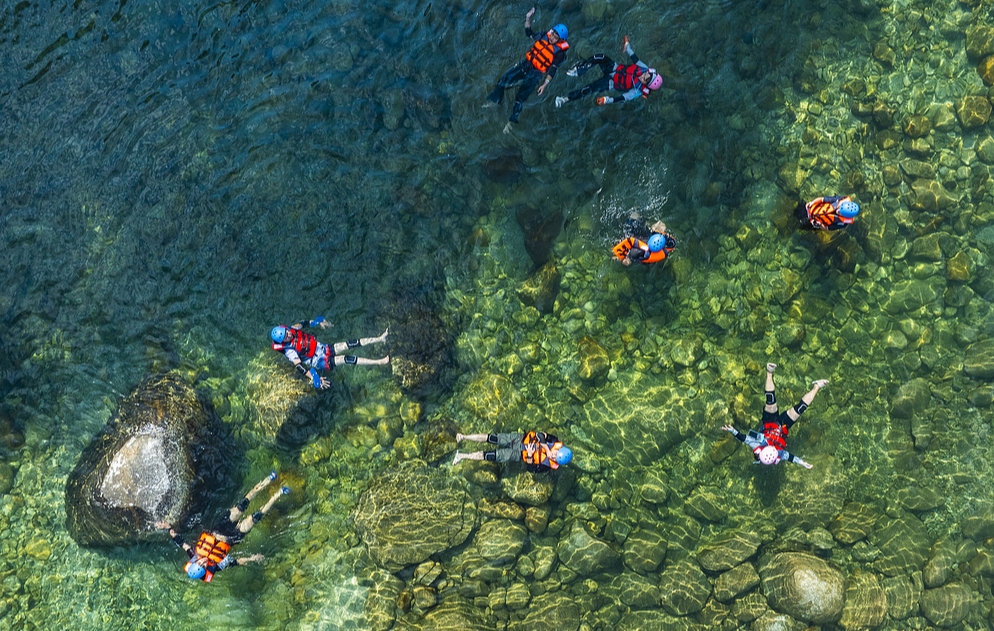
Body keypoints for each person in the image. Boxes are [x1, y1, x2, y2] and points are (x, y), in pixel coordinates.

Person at [156, 471, 290, 583]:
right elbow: (236, 562)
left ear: (195, 562)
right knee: (256, 516)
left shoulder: (193, 554)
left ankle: (268, 480)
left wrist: (168, 527)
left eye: (200, 563)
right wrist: (253, 558)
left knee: (243, 503)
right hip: (233, 537)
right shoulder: (216, 567)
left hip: (220, 527)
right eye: (204, 566)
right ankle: (278, 494)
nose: (204, 562)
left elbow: (180, 541)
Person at [721, 363, 828, 469]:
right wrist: (803, 463)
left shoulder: (757, 444)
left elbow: (743, 437)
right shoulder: (779, 454)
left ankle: (769, 372)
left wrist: (732, 430)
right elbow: (791, 457)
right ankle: (817, 386)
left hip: (769, 422)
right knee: (800, 409)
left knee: (770, 400)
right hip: (782, 426)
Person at [485, 7, 569, 134]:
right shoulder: (543, 36)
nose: (552, 38)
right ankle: (495, 102)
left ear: (561, 40)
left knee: (520, 98)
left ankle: (511, 122)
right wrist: (528, 18)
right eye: (553, 34)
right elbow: (528, 33)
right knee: (502, 81)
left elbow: (553, 70)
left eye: (556, 37)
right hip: (525, 64)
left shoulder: (559, 54)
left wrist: (545, 85)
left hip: (536, 74)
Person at [270, 317, 389, 390]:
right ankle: (379, 362)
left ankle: (380, 338)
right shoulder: (289, 351)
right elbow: (299, 366)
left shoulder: (292, 329)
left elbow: (304, 322)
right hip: (319, 361)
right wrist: (314, 377)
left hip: (323, 348)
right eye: (286, 337)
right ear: (282, 342)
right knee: (347, 358)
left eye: (287, 332)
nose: (289, 335)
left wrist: (318, 322)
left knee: (349, 343)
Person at [556, 36, 662, 108]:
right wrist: (627, 47)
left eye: (644, 80)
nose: (642, 77)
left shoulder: (638, 90)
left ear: (646, 86)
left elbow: (623, 98)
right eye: (645, 75)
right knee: (600, 57)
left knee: (589, 89)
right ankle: (578, 70)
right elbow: (635, 59)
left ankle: (564, 100)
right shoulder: (644, 69)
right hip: (614, 68)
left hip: (610, 82)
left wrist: (607, 100)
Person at [452, 431, 573, 473]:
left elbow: (530, 468)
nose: (553, 455)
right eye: (556, 453)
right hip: (519, 438)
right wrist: (547, 449)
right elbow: (540, 435)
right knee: (493, 438)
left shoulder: (547, 466)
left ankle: (461, 456)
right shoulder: (554, 441)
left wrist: (530, 455)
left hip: (517, 455)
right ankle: (464, 437)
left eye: (555, 458)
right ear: (559, 449)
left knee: (489, 455)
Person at [612, 212, 676, 266]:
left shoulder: (638, 251)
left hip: (637, 239)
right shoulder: (667, 245)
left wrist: (624, 259)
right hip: (640, 239)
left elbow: (627, 258)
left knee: (634, 219)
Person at [795, 195, 860, 231]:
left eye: (840, 213)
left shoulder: (843, 223)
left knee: (799, 225)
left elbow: (827, 228)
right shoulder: (838, 200)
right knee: (796, 211)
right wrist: (812, 202)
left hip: (816, 222)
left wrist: (819, 225)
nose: (838, 211)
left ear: (846, 216)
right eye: (839, 208)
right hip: (811, 209)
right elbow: (822, 199)